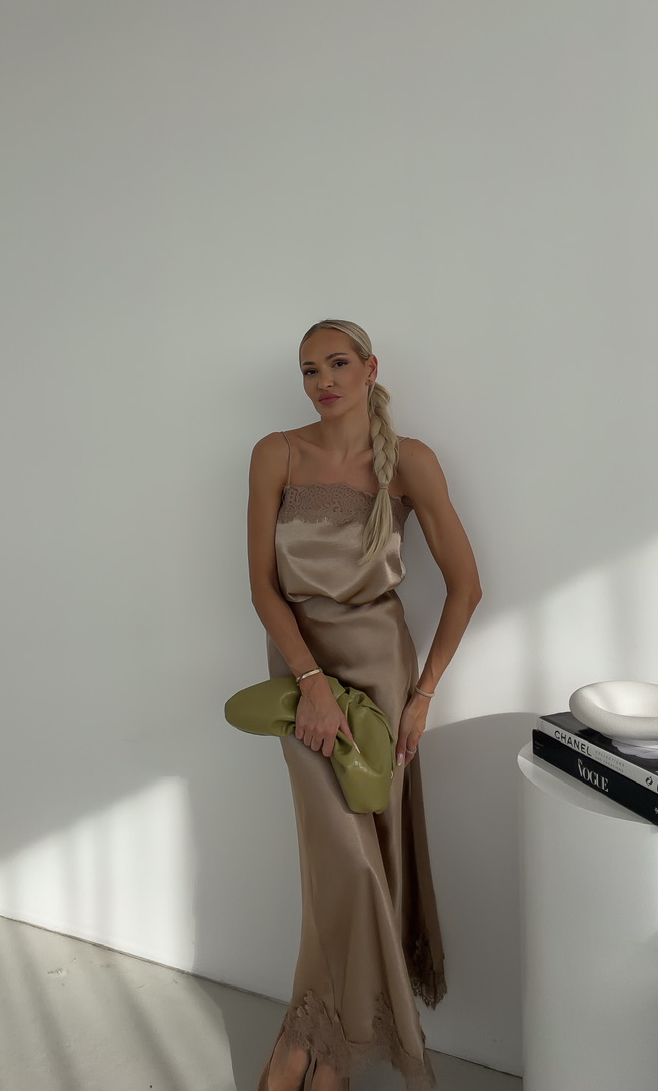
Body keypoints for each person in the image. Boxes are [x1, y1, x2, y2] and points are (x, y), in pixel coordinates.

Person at [247, 320, 482, 1091]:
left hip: (382, 673)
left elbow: (467, 587)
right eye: (309, 370)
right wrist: (312, 684)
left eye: (338, 363)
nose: (323, 381)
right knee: (342, 861)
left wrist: (423, 695)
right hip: (300, 674)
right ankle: (315, 1045)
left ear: (370, 368)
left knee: (372, 857)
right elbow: (263, 589)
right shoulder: (275, 453)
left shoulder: (410, 461)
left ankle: (321, 1055)